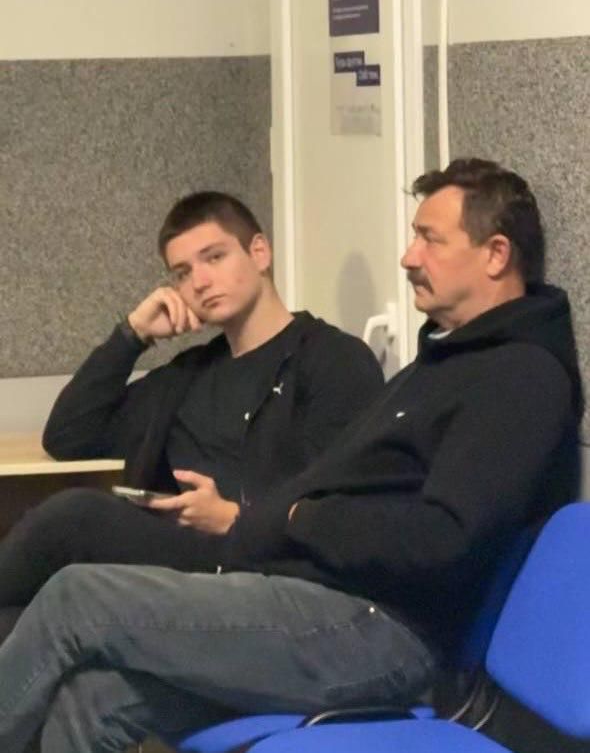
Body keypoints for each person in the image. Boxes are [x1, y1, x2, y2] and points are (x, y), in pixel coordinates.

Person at [0, 159, 582, 753]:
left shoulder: (521, 377)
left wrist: (298, 518)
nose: (409, 257)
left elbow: (442, 538)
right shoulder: (440, 364)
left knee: (78, 596)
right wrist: (276, 525)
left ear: (495, 254)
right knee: (95, 696)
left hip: (380, 631)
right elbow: (72, 433)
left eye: (429, 239)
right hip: (313, 598)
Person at [0, 191, 383, 634]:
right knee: (20, 623)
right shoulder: (190, 374)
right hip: (185, 558)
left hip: (265, 569)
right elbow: (69, 437)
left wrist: (235, 516)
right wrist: (133, 335)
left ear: (259, 252)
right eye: (182, 273)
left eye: (214, 257)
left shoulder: (332, 359)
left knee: (76, 516)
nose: (200, 281)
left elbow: (340, 509)